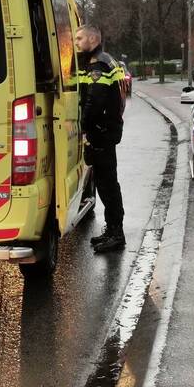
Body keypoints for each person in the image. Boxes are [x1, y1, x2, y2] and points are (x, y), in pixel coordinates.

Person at [74, 25, 126, 252]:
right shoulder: (107, 60)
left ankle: (116, 234)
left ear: (93, 39)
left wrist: (83, 126)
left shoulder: (98, 65)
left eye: (80, 38)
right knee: (107, 183)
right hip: (108, 130)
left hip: (101, 132)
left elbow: (94, 102)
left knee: (107, 185)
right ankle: (112, 229)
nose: (76, 43)